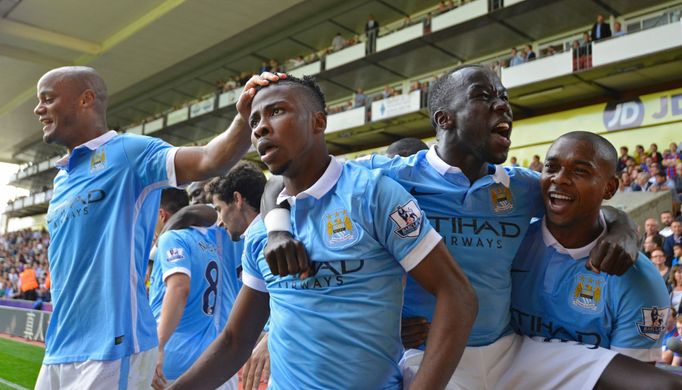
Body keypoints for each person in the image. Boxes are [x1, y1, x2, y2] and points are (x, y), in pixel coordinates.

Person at [260, 66, 641, 389]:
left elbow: (587, 203)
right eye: (484, 96)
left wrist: (623, 226)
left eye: (504, 96)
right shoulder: (386, 178)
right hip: (427, 354)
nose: (502, 104)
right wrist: (278, 229)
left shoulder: (521, 186)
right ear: (444, 119)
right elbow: (285, 179)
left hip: (506, 348)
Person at [170, 75, 477, 389]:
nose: (260, 127)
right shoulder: (262, 231)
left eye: (276, 111)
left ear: (318, 122)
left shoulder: (372, 195)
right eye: (255, 120)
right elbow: (235, 341)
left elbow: (458, 295)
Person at [33, 66, 282, 389]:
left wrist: (243, 116)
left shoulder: (128, 153)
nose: (39, 109)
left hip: (112, 350)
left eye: (48, 99)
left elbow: (210, 159)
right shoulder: (63, 177)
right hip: (59, 348)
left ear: (86, 99)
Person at [508, 132, 674, 384]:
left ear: (609, 187)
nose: (559, 179)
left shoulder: (640, 281)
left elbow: (627, 383)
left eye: (580, 171)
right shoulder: (509, 244)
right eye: (551, 167)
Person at [148, 188, 237, 390]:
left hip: (172, 363)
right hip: (218, 363)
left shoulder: (172, 238)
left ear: (162, 214)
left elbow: (179, 288)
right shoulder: (224, 237)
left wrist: (158, 346)